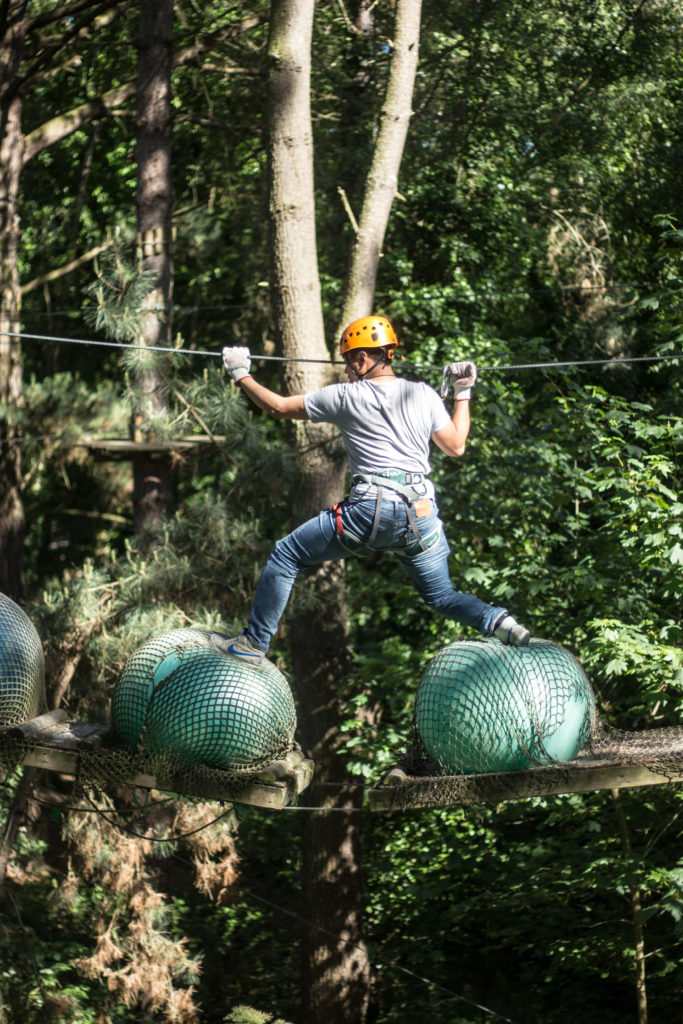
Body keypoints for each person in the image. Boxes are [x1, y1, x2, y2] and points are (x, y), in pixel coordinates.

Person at [214, 314, 530, 666]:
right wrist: (463, 391)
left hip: (367, 515)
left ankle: (253, 644)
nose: (347, 370)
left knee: (287, 555)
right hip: (421, 516)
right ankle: (501, 622)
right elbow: (456, 445)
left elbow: (277, 407)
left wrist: (240, 373)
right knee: (441, 595)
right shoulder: (423, 394)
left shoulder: (347, 397)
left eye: (349, 362)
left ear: (364, 359)